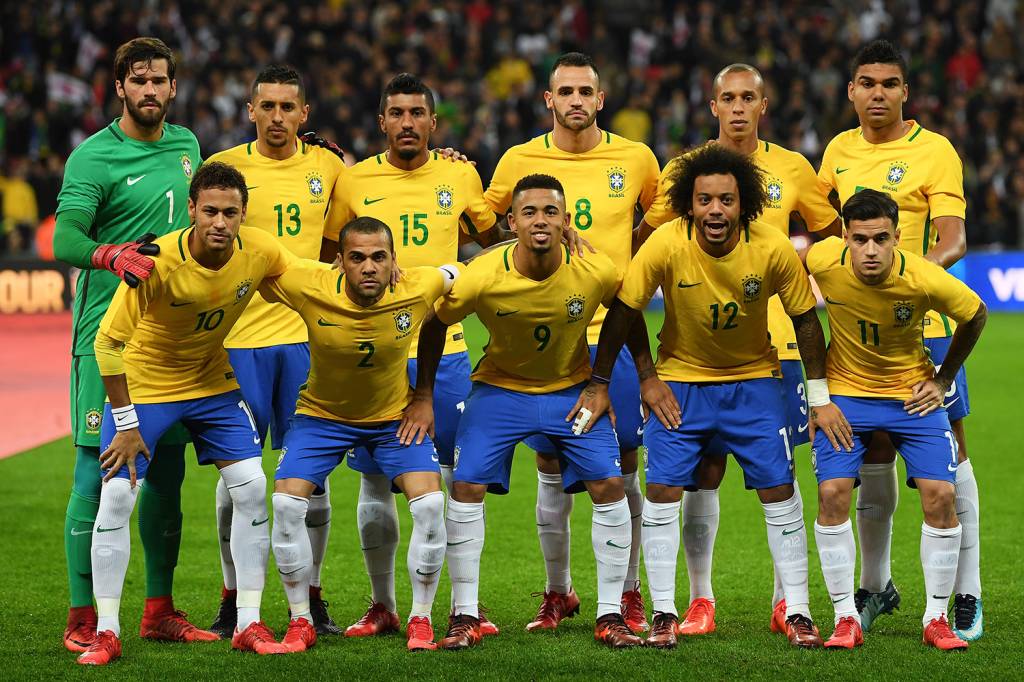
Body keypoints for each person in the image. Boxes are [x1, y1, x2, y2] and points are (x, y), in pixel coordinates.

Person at [579, 144, 849, 649]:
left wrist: (818, 396)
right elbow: (623, 311)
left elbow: (807, 323)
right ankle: (664, 611)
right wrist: (639, 378)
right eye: (704, 200)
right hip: (681, 383)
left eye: (726, 200)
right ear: (689, 204)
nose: (715, 211)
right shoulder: (664, 243)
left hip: (754, 383)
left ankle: (797, 611)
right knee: (661, 492)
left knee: (779, 491)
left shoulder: (771, 248)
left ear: (744, 203)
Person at [634, 63, 843, 636]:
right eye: (727, 97)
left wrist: (821, 283)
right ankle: (699, 598)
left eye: (748, 97)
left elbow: (831, 239)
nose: (738, 107)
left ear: (763, 105)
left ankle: (787, 603)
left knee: (781, 474)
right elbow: (647, 240)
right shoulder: (684, 172)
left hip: (776, 352)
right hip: (693, 354)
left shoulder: (794, 167)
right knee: (702, 472)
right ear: (713, 105)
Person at [410, 174, 646, 650]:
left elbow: (627, 312)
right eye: (530, 212)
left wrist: (605, 383)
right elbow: (435, 322)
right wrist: (422, 394)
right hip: (501, 391)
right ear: (511, 222)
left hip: (570, 393)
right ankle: (463, 614)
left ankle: (610, 614)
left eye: (551, 212)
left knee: (610, 483)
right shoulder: (482, 273)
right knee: (466, 485)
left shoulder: (593, 269)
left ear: (566, 221)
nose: (541, 220)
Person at [77, 162, 296, 665]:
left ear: (244, 215)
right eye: (211, 211)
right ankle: (107, 631)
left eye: (231, 212)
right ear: (192, 209)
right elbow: (107, 344)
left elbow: (305, 278)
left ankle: (248, 622)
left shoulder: (259, 250)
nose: (220, 222)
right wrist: (128, 425)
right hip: (148, 385)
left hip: (211, 382)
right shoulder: (156, 263)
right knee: (115, 499)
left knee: (251, 486)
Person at [483, 52, 659, 634]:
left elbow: (659, 219)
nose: (576, 100)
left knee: (624, 461)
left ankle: (629, 593)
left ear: (600, 99)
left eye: (587, 90)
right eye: (566, 91)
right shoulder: (519, 159)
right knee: (550, 459)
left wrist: (620, 263)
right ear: (548, 100)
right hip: (547, 337)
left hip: (615, 329)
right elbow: (482, 222)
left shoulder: (635, 157)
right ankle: (559, 592)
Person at [324, 73, 499, 638]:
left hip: (443, 350)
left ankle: (461, 607)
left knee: (447, 479)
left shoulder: (459, 173)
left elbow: (494, 243)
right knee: (374, 481)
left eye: (416, 114)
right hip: (375, 353)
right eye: (396, 113)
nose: (406, 123)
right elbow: (332, 260)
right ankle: (383, 604)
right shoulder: (354, 181)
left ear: (433, 122)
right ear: (382, 122)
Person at [818, 39, 982, 640]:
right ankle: (875, 586)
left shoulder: (934, 150)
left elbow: (955, 236)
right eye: (867, 82)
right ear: (852, 90)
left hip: (928, 329)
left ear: (904, 91)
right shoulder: (837, 150)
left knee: (951, 457)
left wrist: (910, 285)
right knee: (875, 454)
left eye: (890, 83)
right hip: (859, 334)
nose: (878, 93)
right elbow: (821, 229)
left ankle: (966, 593)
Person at [52, 37, 212, 653]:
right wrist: (108, 254)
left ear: (173, 88)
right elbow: (64, 237)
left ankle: (157, 610)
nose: (150, 90)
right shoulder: (94, 157)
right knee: (98, 472)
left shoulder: (187, 146)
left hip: (167, 339)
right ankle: (80, 617)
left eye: (160, 80)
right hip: (105, 336)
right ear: (119, 86)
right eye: (138, 80)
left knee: (166, 473)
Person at [263, 217, 456, 653]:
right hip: (321, 416)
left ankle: (421, 620)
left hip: (393, 419)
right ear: (340, 263)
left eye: (378, 257)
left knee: (429, 506)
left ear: (393, 262)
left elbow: (460, 273)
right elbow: (255, 265)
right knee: (286, 505)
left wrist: (423, 393)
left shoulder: (419, 286)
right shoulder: (310, 285)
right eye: (357, 258)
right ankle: (300, 620)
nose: (369, 267)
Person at [806, 189, 986, 651]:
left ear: (897, 237)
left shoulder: (923, 276)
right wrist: (818, 396)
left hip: (912, 398)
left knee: (941, 496)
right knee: (831, 494)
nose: (870, 251)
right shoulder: (824, 260)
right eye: (860, 239)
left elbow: (976, 313)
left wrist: (944, 380)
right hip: (846, 396)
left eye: (880, 239)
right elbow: (792, 298)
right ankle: (846, 616)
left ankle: (937, 617)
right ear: (844, 236)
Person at [204, 63, 347, 638]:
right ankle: (232, 596)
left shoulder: (330, 167)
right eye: (268, 106)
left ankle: (311, 597)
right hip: (239, 342)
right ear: (250, 110)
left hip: (308, 343)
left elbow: (339, 245)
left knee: (312, 476)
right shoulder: (229, 170)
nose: (278, 117)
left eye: (289, 107)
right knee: (237, 478)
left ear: (305, 114)